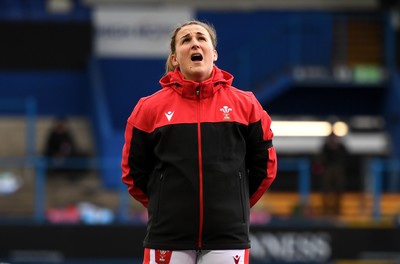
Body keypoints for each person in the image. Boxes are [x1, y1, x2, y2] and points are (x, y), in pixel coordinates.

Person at [121, 20, 278, 264]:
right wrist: (164, 206)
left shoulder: (246, 105)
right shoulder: (148, 109)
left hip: (228, 236)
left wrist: (234, 205)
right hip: (167, 237)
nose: (194, 43)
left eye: (201, 38)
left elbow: (264, 168)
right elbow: (133, 173)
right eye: (186, 40)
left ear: (214, 54)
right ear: (175, 58)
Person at [319, 131, 349, 217]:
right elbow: (321, 158)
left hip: (338, 169)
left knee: (339, 189)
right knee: (326, 189)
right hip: (328, 169)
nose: (333, 139)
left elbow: (346, 157)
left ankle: (337, 209)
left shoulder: (341, 147)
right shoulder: (325, 147)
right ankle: (326, 209)